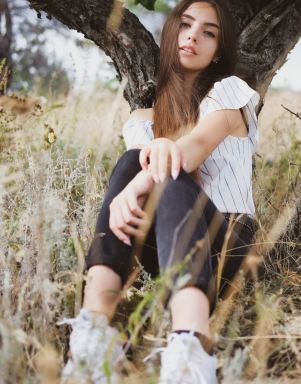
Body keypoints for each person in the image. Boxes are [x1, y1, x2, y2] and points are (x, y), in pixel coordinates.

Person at [59, 0, 260, 383]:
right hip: (165, 252)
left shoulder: (231, 93)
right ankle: (92, 336)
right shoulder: (143, 120)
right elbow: (146, 162)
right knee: (136, 156)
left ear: (219, 50)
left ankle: (190, 352)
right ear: (171, 32)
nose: (193, 37)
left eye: (209, 33)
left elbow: (196, 147)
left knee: (157, 166)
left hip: (225, 245)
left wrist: (139, 181)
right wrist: (140, 170)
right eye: (185, 25)